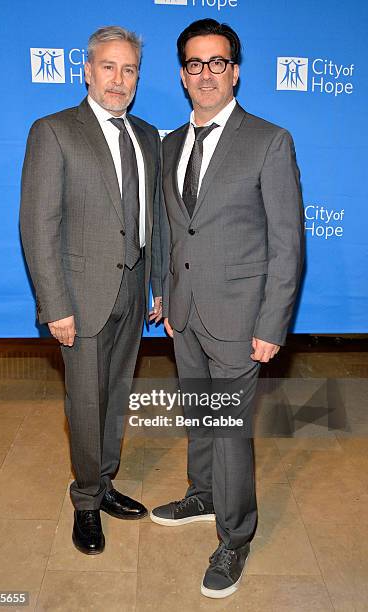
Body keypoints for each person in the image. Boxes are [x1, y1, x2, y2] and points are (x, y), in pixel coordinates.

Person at [151, 19, 304, 598]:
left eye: (218, 62)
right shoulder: (169, 144)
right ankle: (204, 493)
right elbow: (172, 227)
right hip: (185, 312)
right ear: (184, 76)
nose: (206, 74)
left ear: (235, 71)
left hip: (242, 317)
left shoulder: (269, 140)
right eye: (195, 64)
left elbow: (288, 242)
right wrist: (165, 292)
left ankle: (235, 535)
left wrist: (272, 324)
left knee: (229, 428)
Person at [20, 26, 163, 555]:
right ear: (86, 70)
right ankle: (85, 500)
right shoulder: (54, 131)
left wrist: (159, 285)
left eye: (129, 70)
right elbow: (38, 226)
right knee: (84, 402)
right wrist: (54, 305)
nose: (118, 79)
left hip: (133, 292)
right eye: (108, 66)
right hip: (80, 297)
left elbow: (158, 223)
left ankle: (104, 482)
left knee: (115, 396)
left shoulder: (147, 136)